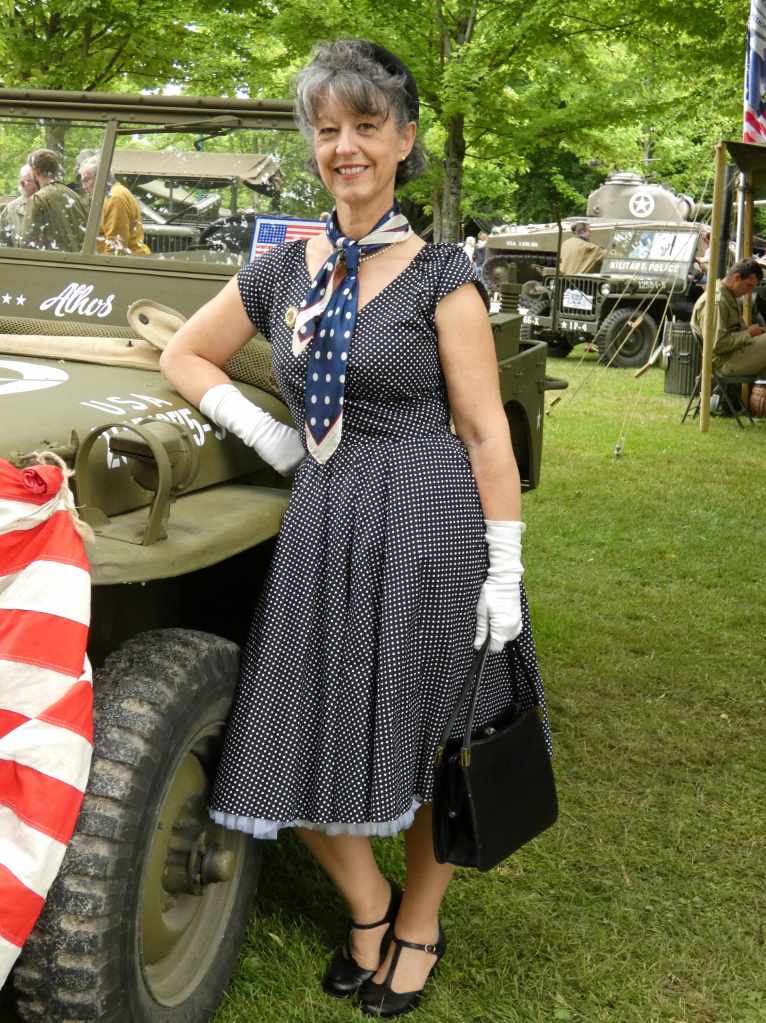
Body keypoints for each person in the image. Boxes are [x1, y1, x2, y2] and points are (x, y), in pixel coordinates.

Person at [160, 39, 550, 1018]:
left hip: (428, 518)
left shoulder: (442, 275)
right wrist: (266, 432)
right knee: (287, 724)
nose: (346, 147)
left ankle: (417, 923)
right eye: (328, 128)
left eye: (367, 127)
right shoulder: (284, 269)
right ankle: (368, 904)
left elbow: (483, 431)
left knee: (433, 732)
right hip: (325, 519)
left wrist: (504, 566)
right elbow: (185, 354)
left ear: (404, 140)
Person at [690, 257, 766, 375]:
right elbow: (716, 345)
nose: (749, 291)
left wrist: (753, 332)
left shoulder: (728, 295)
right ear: (737, 278)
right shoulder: (718, 301)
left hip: (734, 354)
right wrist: (748, 333)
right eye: (748, 285)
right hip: (725, 362)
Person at [79, 155, 150, 256]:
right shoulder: (114, 194)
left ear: (101, 177)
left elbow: (116, 247)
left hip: (126, 262)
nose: (83, 186)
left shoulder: (114, 198)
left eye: (86, 180)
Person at [20, 149, 87, 252]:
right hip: (77, 260)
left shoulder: (38, 199)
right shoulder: (73, 196)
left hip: (52, 261)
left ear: (35, 170)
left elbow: (27, 243)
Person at [0, 163, 39, 246]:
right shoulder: (11, 209)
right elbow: (3, 243)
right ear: (22, 183)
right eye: (33, 180)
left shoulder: (49, 203)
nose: (38, 184)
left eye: (38, 180)